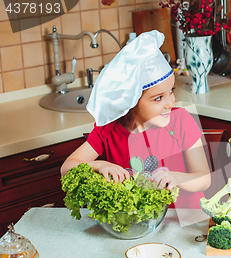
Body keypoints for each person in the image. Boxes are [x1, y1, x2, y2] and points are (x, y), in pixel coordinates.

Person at [61, 30, 210, 209]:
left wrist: (177, 178)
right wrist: (100, 165)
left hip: (185, 220)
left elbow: (204, 178)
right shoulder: (108, 129)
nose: (170, 103)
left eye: (171, 91)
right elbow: (67, 168)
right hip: (139, 224)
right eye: (158, 98)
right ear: (131, 101)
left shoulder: (180, 121)